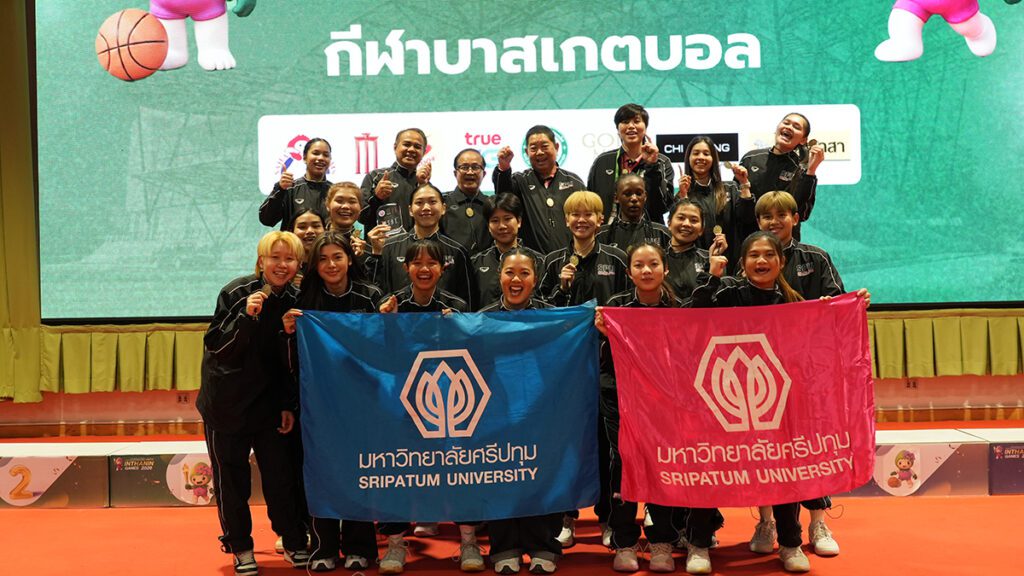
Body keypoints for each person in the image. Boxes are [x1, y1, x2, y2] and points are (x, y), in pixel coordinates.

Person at [690, 231, 868, 573]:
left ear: (781, 261)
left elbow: (818, 345)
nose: (761, 261)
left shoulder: (793, 302)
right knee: (710, 470)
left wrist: (852, 306)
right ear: (742, 263)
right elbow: (690, 315)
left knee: (783, 471)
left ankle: (790, 543)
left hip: (777, 402)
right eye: (754, 255)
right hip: (724, 401)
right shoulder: (728, 293)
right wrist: (711, 277)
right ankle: (698, 545)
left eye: (768, 255)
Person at [196, 231, 310, 576]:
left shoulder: (298, 299)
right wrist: (246, 317)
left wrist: (287, 403)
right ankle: (241, 548)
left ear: (298, 264)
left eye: (289, 259)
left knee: (281, 478)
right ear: (261, 261)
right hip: (226, 405)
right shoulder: (236, 292)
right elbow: (217, 346)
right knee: (232, 482)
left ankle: (293, 541)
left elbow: (292, 363)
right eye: (275, 257)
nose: (282, 265)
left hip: (270, 404)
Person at [749, 190, 845, 559]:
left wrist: (839, 306)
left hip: (807, 374)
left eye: (781, 215)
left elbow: (839, 305)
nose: (773, 222)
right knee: (765, 451)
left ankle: (818, 522)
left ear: (795, 218)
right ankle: (766, 521)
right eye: (766, 216)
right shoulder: (752, 261)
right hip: (763, 379)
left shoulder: (815, 258)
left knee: (809, 449)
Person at [281, 231, 383, 572]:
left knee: (359, 471)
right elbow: (291, 358)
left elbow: (384, 348)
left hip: (361, 402)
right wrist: (288, 332)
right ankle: (323, 546)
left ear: (349, 260)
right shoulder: (303, 300)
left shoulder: (370, 296)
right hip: (318, 404)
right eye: (322, 259)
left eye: (337, 257)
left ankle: (359, 546)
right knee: (321, 473)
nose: (331, 264)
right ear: (314, 265)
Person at [376, 239, 471, 574]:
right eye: (417, 263)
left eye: (432, 263)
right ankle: (395, 544)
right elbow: (380, 355)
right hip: (401, 403)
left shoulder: (456, 306)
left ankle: (469, 539)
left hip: (447, 405)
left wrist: (458, 329)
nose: (425, 269)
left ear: (442, 269)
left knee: (460, 468)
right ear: (406, 268)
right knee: (396, 470)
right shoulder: (391, 305)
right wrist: (385, 323)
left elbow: (470, 354)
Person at [538, 190, 627, 548]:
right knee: (567, 445)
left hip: (608, 368)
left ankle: (607, 517)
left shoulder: (617, 259)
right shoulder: (553, 262)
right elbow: (541, 312)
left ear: (600, 220)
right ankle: (566, 517)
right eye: (575, 214)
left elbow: (627, 308)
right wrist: (562, 289)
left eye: (589, 214)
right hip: (565, 371)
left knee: (607, 447)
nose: (581, 220)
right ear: (566, 220)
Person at [594, 243, 683, 573]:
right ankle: (625, 542)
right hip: (620, 398)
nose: (647, 271)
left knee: (662, 463)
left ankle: (662, 541)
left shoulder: (679, 310)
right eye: (639, 265)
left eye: (653, 264)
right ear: (629, 272)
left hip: (663, 401)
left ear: (665, 269)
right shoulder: (614, 309)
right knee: (623, 462)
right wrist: (605, 335)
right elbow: (605, 364)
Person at [478, 249, 562, 574]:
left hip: (541, 413)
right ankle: (504, 547)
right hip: (497, 414)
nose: (516, 279)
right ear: (499, 277)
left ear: (535, 280)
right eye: (510, 272)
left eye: (524, 273)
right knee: (501, 476)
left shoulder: (553, 318)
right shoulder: (481, 319)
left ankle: (543, 545)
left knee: (539, 477)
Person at [367, 184, 475, 308]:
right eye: (419, 203)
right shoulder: (390, 246)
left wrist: (457, 317)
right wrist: (376, 253)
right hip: (398, 318)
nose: (426, 207)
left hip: (445, 319)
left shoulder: (457, 251)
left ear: (443, 208)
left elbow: (468, 300)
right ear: (410, 210)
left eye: (432, 202)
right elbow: (377, 291)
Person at [492, 125, 587, 255]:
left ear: (556, 147)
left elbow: (587, 218)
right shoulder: (520, 181)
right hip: (531, 260)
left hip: (570, 258)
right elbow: (502, 197)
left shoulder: (574, 182)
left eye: (544, 146)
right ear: (526, 152)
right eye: (533, 148)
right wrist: (504, 168)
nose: (539, 152)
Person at [737, 113, 824, 241]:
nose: (789, 127)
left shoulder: (802, 168)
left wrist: (811, 171)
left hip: (785, 243)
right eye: (786, 123)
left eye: (796, 127)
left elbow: (802, 214)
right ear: (777, 127)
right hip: (750, 240)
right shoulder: (750, 158)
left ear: (803, 140)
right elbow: (738, 209)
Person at [587, 103, 674, 223]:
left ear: (645, 128)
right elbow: (591, 203)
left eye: (636, 121)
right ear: (618, 129)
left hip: (648, 232)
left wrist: (652, 166)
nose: (631, 126)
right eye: (625, 122)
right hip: (609, 232)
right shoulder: (602, 161)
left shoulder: (661, 162)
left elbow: (664, 206)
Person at [677, 136, 755, 259]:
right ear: (688, 158)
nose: (701, 157)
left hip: (730, 261)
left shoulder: (730, 188)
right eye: (696, 153)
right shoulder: (683, 193)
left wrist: (744, 183)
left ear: (713, 159)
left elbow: (748, 219)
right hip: (694, 263)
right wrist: (683, 197)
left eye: (706, 153)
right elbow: (680, 232)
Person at [471, 193, 545, 311]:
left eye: (507, 219)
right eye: (495, 220)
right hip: (487, 322)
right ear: (488, 226)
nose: (502, 226)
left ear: (519, 221)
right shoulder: (475, 263)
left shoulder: (540, 261)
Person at [360, 128, 431, 231]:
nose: (411, 149)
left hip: (417, 241)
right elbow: (361, 217)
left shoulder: (423, 184)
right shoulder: (376, 176)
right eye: (406, 144)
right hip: (382, 241)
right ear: (395, 147)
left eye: (417, 147)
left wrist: (424, 185)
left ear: (424, 152)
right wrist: (377, 197)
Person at [260, 138, 333, 230]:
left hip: (327, 240)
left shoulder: (335, 192)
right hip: (294, 240)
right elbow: (267, 220)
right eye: (316, 153)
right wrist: (280, 189)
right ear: (304, 158)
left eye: (326, 155)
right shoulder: (289, 188)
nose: (321, 158)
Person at [595, 174, 671, 253]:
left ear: (645, 197)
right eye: (627, 194)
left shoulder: (662, 233)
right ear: (616, 198)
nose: (634, 198)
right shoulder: (601, 234)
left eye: (639, 193)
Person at [664, 199, 715, 302]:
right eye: (681, 218)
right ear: (669, 223)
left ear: (701, 229)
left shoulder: (709, 260)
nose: (686, 224)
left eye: (694, 220)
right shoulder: (656, 259)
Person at [442, 148, 491, 255]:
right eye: (464, 167)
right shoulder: (442, 203)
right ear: (455, 173)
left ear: (484, 173)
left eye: (475, 167)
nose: (470, 172)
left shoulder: (491, 204)